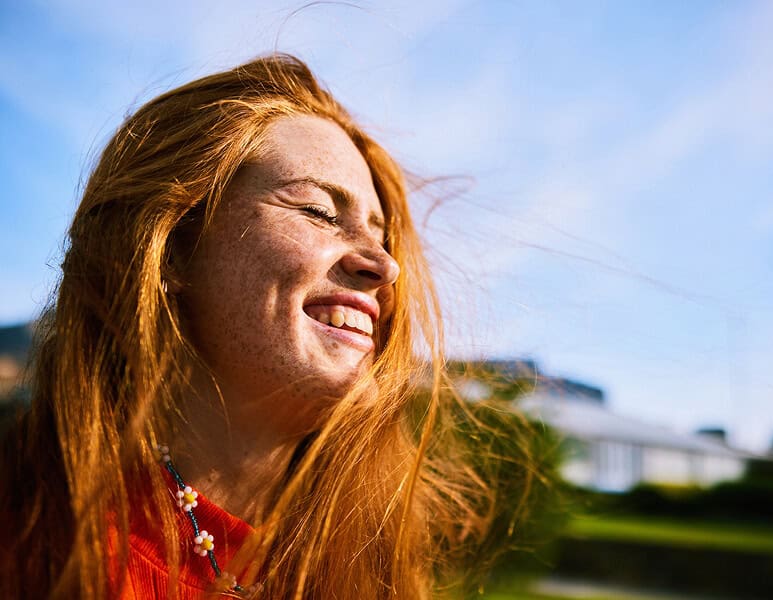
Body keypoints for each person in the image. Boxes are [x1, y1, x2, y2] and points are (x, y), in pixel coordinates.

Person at [0, 54, 505, 599]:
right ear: (169, 249)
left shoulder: (367, 564)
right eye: (318, 211)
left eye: (381, 236)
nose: (384, 266)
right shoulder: (37, 548)